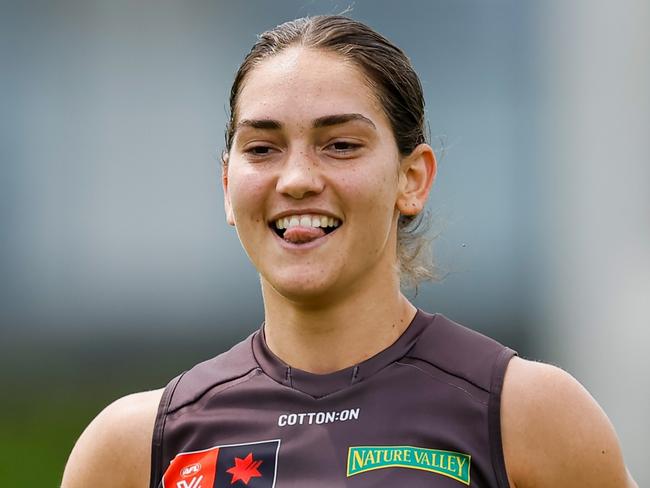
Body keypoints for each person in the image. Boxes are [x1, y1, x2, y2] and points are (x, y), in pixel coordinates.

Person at [62, 15, 638, 488]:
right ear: (227, 186)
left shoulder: (525, 414)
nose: (296, 179)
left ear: (412, 179)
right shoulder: (136, 448)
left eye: (340, 145)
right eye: (262, 148)